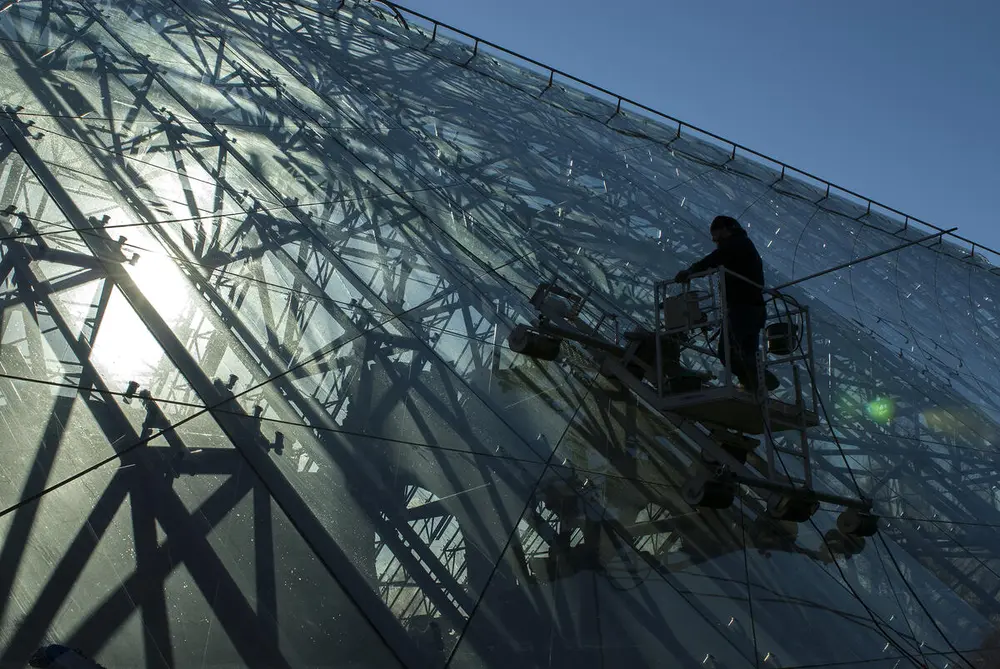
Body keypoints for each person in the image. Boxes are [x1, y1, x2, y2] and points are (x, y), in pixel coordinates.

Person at [674, 215, 773, 392]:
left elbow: (714, 259)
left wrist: (691, 270)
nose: (715, 241)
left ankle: (759, 378)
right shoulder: (744, 245)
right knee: (747, 352)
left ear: (727, 230)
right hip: (755, 309)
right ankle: (754, 384)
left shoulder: (736, 244)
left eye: (717, 237)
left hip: (742, 309)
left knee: (726, 352)